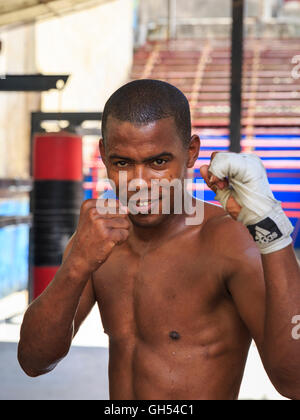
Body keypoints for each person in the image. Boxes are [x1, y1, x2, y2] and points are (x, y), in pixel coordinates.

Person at [18, 80, 300, 400]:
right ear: (103, 155)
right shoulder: (98, 241)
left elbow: (295, 382)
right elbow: (33, 361)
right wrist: (75, 266)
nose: (139, 183)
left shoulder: (229, 241)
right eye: (122, 163)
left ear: (191, 152)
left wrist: (273, 235)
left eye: (158, 162)